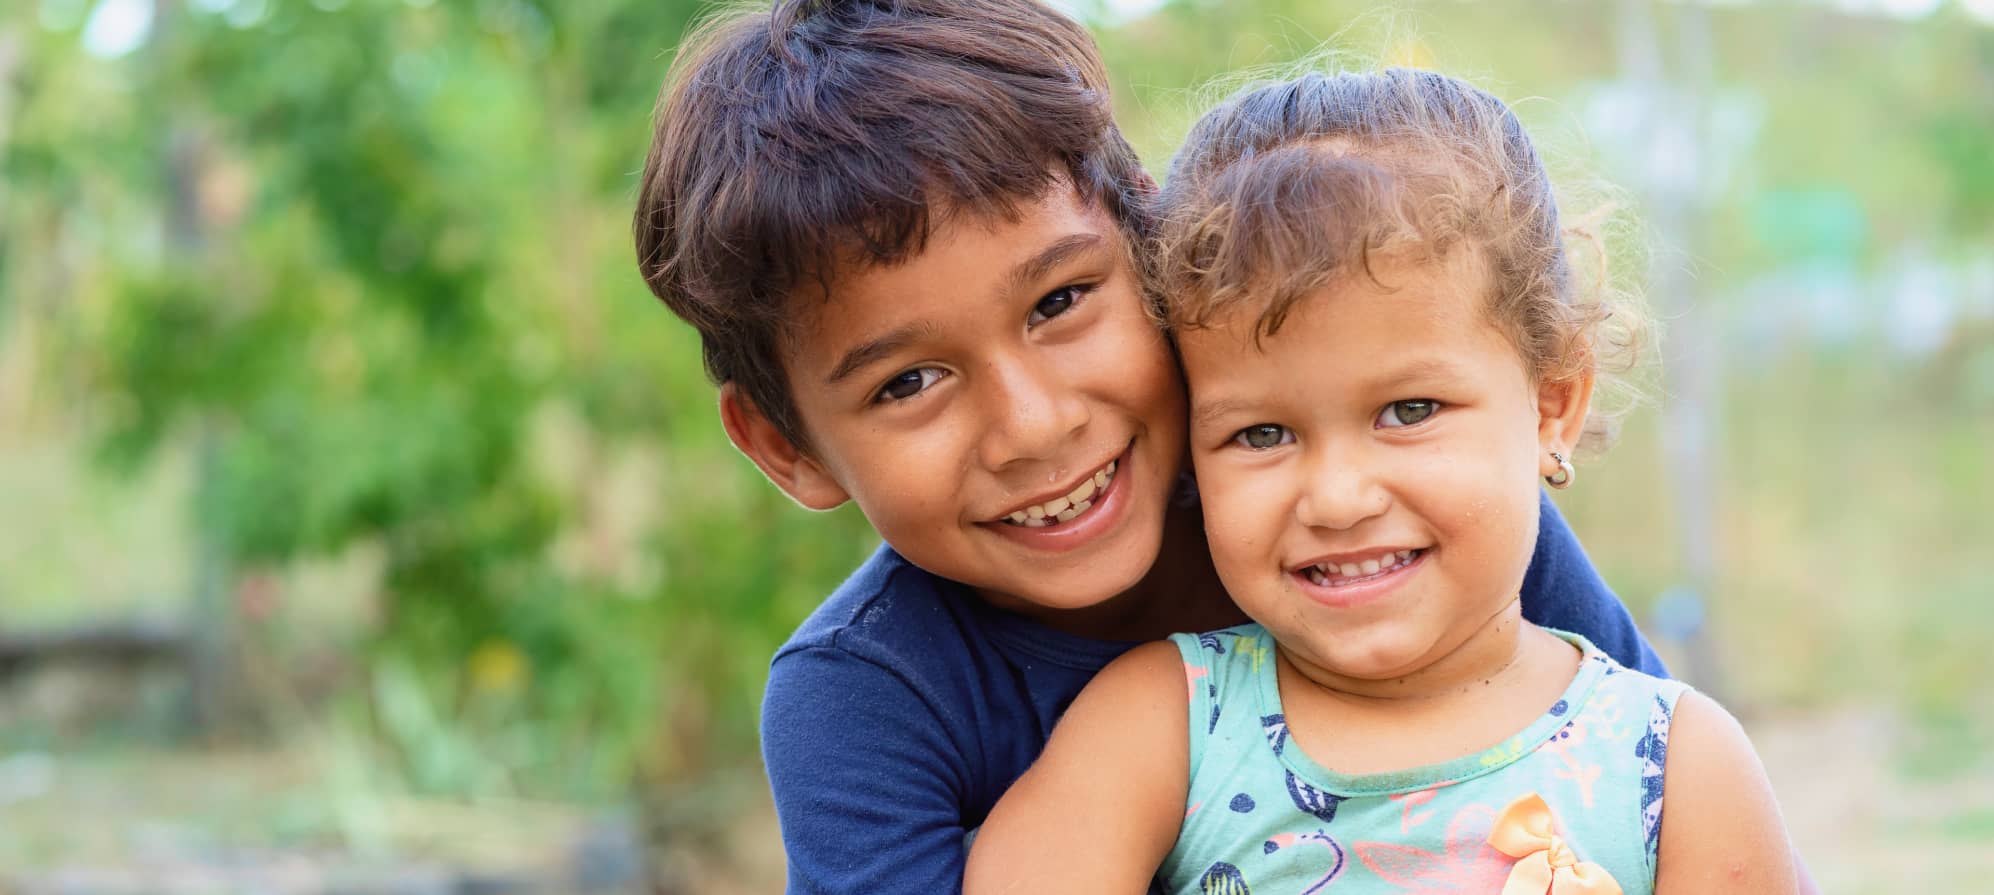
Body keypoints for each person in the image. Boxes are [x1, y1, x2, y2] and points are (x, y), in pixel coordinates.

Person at [633, 4, 1667, 892]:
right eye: (907, 382)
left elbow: (1646, 779)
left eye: (1059, 301)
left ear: (1155, 246)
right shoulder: (867, 696)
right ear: (786, 445)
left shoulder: (1409, 532)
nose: (1034, 425)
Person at [963, 68, 1800, 894]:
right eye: (1261, 433)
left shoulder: (1674, 766)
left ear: (1552, 404)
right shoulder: (1161, 727)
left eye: (1409, 411)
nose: (1338, 497)